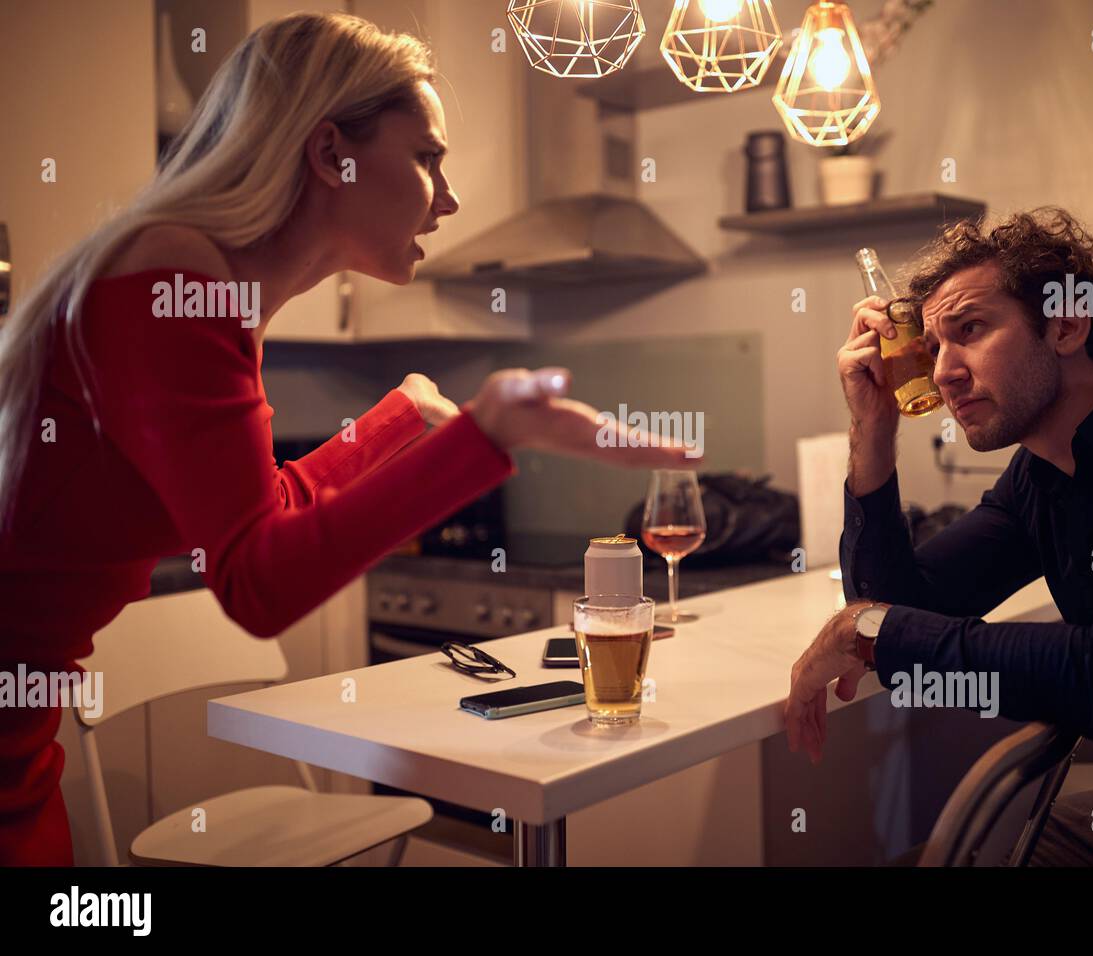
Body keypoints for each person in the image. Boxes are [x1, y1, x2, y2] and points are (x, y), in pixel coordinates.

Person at [0, 12, 694, 866]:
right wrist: (483, 435)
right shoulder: (177, 277)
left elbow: (258, 514)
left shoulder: (206, 285)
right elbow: (256, 582)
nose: (450, 197)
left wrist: (402, 421)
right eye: (427, 157)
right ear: (334, 155)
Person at [783, 207, 1093, 866]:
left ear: (1067, 324)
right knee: (958, 854)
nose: (942, 372)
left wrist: (874, 630)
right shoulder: (1042, 475)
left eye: (970, 330)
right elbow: (891, 601)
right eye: (934, 346)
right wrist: (875, 427)